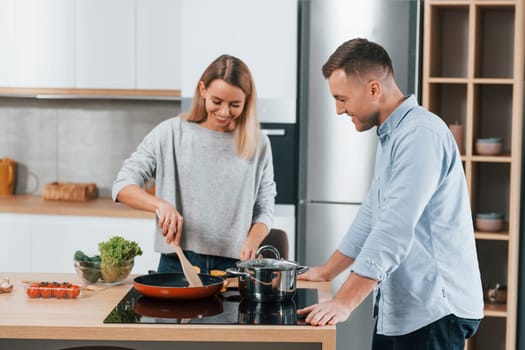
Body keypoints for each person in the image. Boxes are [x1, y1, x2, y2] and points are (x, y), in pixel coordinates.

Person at [296, 38, 484, 350]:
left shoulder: (420, 136)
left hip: (435, 310)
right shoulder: (393, 135)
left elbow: (393, 230)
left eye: (342, 99)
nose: (339, 110)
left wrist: (344, 302)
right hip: (405, 307)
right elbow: (372, 215)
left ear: (373, 89)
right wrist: (328, 272)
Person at [112, 54, 276, 274]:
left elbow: (265, 207)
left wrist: (253, 241)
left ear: (247, 101)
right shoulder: (169, 133)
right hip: (177, 264)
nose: (225, 112)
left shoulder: (258, 144)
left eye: (235, 104)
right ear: (202, 90)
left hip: (235, 267)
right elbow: (122, 185)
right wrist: (160, 205)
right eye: (217, 102)